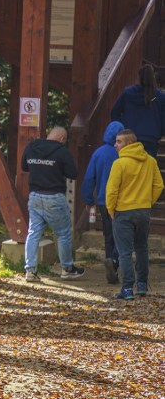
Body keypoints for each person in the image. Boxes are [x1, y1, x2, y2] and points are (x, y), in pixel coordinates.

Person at [106, 129, 164, 300]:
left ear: (129, 143)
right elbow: (159, 186)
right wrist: (148, 202)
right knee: (141, 248)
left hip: (123, 212)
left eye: (119, 142)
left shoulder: (120, 164)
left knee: (124, 252)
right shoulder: (150, 161)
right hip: (143, 210)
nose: (115, 145)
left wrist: (111, 210)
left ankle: (127, 288)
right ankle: (142, 285)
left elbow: (111, 191)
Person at [21, 126, 84, 282]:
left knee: (33, 232)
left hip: (35, 196)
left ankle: (30, 271)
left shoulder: (32, 146)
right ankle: (67, 269)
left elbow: (24, 167)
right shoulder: (62, 152)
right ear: (62, 139)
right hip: (54, 197)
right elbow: (73, 174)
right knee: (63, 234)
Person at [80, 121, 124, 284]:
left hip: (103, 201)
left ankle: (109, 259)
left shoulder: (98, 153)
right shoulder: (123, 153)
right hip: (123, 202)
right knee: (121, 234)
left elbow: (89, 178)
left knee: (108, 233)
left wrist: (88, 199)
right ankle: (115, 261)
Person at [110, 65, 165, 157]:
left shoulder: (128, 93)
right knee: (147, 168)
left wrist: (122, 129)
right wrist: (160, 132)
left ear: (139, 77)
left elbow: (114, 112)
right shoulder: (160, 97)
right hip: (151, 137)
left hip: (130, 137)